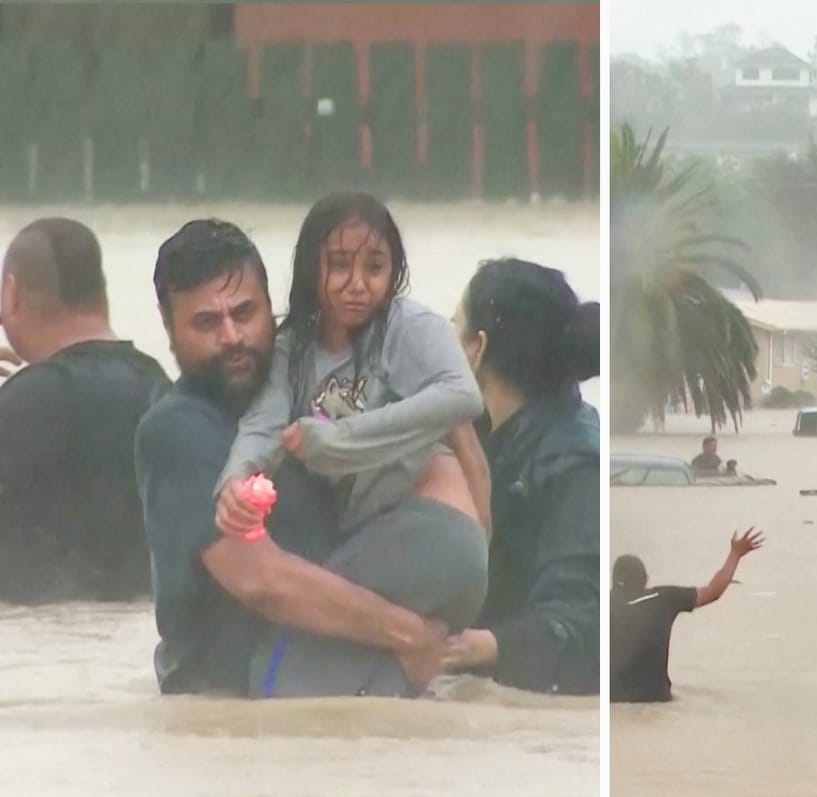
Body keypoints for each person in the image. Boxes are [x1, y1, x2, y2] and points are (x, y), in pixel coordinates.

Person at [135, 218, 460, 697]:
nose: (231, 337)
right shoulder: (178, 430)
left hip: (333, 682)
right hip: (226, 707)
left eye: (244, 313)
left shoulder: (315, 398)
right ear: (168, 326)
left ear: (273, 308)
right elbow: (260, 578)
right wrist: (410, 634)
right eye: (207, 322)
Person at [211, 193, 492, 697]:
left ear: (395, 271)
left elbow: (462, 395)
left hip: (432, 536)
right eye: (338, 265)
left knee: (274, 670)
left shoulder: (410, 329)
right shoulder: (291, 349)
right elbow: (263, 425)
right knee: (357, 677)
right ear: (310, 268)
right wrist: (234, 481)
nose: (358, 284)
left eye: (375, 267)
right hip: (383, 541)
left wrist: (340, 441)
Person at [442, 258, 601, 694]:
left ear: (477, 348)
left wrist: (485, 647)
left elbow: (585, 625)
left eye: (450, 329)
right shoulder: (469, 433)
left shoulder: (577, 463)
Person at [0, 217, 170, 602]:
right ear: (100, 292)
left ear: (11, 293)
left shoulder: (25, 403)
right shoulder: (161, 388)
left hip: (44, 647)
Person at [610, 527, 764, 703]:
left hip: (613, 699)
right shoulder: (664, 598)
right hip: (655, 699)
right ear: (645, 578)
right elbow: (713, 591)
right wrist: (735, 554)